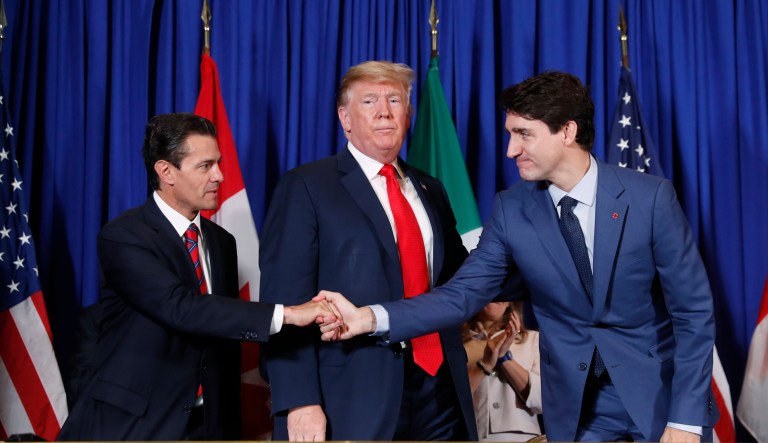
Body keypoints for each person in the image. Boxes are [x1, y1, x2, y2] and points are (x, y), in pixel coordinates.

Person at [317, 71, 718, 442]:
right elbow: (461, 295)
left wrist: (684, 420)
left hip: (659, 397)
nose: (511, 150)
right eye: (510, 134)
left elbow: (693, 311)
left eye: (523, 135)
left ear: (567, 132)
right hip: (578, 412)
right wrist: (368, 317)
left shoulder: (650, 198)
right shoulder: (512, 209)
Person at [58, 113, 336, 441]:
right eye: (205, 166)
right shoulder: (124, 237)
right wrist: (289, 314)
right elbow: (182, 308)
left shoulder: (221, 242)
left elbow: (224, 336)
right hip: (137, 425)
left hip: (210, 425)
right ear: (166, 172)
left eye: (218, 163)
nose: (219, 176)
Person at [259, 61, 477, 441]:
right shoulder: (307, 187)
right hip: (351, 395)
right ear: (345, 118)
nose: (384, 111)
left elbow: (463, 277)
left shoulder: (431, 190)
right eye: (369, 101)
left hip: (439, 389)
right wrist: (299, 400)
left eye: (395, 100)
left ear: (408, 114)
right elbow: (285, 303)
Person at [462, 301, 542, 441]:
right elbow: (454, 400)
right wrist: (485, 363)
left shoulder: (533, 339)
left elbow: (544, 401)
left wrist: (503, 357)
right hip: (473, 436)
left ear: (510, 303)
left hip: (523, 439)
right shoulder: (457, 346)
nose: (497, 296)